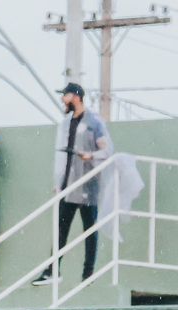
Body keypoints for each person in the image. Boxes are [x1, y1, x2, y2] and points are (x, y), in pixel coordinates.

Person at [32, 84, 112, 286]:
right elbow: (61, 157)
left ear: (76, 96)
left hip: (88, 184)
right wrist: (59, 182)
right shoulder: (66, 124)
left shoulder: (94, 122)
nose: (63, 100)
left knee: (89, 229)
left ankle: (88, 274)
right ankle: (52, 270)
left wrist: (90, 156)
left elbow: (106, 151)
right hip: (68, 185)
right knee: (61, 228)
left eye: (65, 95)